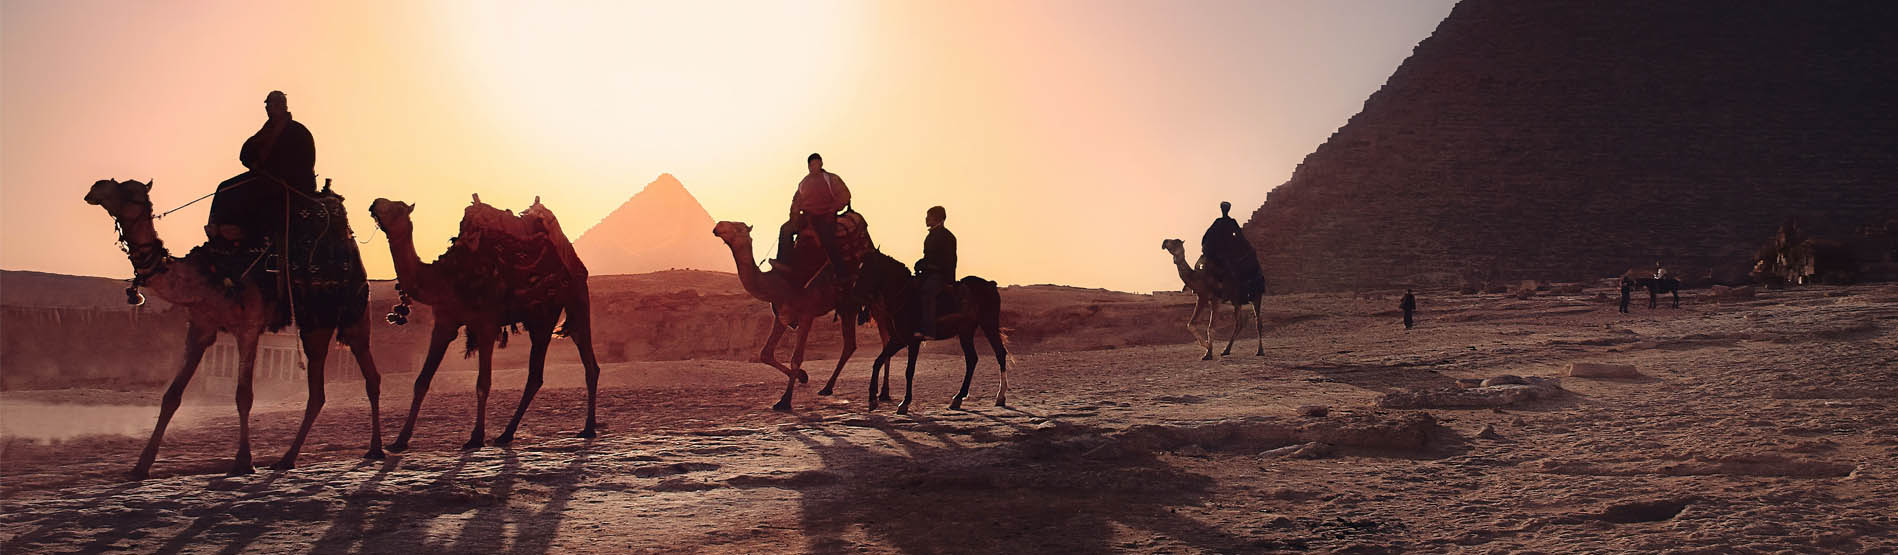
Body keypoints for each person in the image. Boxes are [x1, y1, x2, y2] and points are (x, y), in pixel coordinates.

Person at [207, 90, 316, 247]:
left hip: (290, 185)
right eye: (268, 105)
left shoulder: (298, 132)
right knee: (224, 187)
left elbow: (303, 163)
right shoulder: (266, 131)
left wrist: (274, 173)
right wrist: (256, 165)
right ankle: (219, 233)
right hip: (265, 178)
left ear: (282, 105)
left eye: (272, 104)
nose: (268, 108)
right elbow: (246, 151)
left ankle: (238, 235)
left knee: (234, 191)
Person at [775, 153, 852, 282]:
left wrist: (833, 209)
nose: (814, 166)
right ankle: (783, 262)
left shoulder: (831, 179)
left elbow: (844, 195)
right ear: (809, 166)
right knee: (785, 229)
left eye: (816, 163)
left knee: (827, 239)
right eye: (811, 164)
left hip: (825, 216)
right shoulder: (804, 183)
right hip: (807, 217)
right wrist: (794, 216)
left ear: (821, 164)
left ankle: (841, 273)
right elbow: (796, 201)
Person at [1200, 201, 1263, 298]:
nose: (1224, 210)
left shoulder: (1220, 222)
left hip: (1223, 251)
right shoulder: (1229, 222)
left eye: (1224, 209)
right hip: (1225, 252)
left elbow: (1207, 235)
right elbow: (1240, 236)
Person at [914, 206, 956, 338]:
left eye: (929, 216)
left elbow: (950, 260)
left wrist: (949, 281)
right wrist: (921, 263)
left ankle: (929, 331)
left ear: (937, 218)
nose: (926, 219)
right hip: (927, 273)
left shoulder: (947, 237)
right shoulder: (930, 236)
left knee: (927, 293)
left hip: (939, 275)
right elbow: (928, 257)